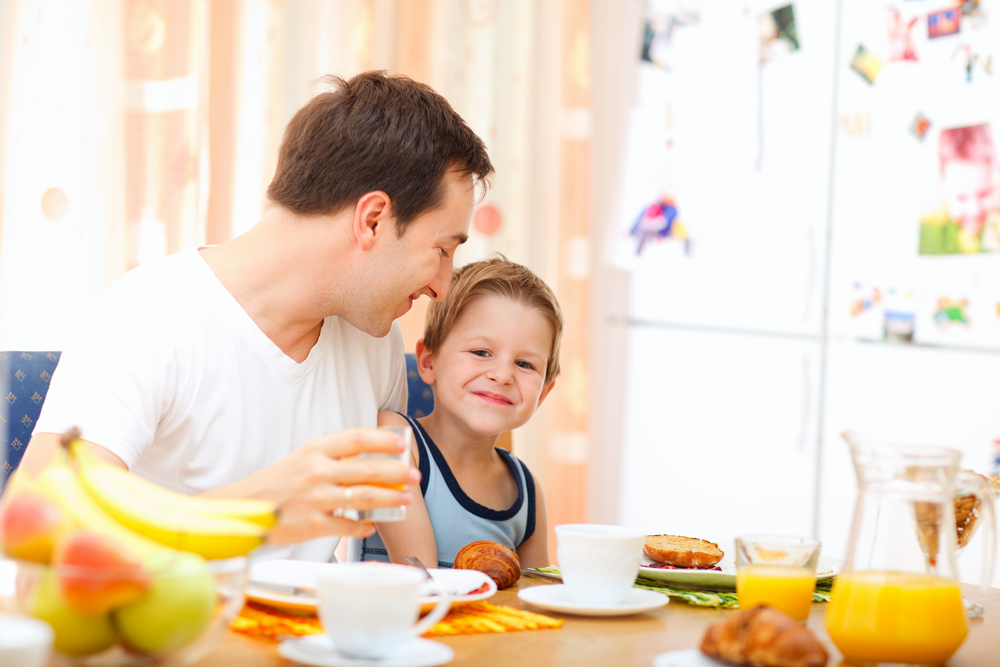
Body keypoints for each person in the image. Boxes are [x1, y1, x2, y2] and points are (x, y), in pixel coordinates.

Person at [15, 71, 494, 561]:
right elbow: (35, 534)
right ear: (372, 219)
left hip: (312, 635)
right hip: (176, 632)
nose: (442, 286)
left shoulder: (374, 341)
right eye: (440, 249)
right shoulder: (146, 315)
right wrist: (258, 509)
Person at [351, 257, 562, 568]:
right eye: (481, 352)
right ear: (429, 362)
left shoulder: (527, 491)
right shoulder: (389, 440)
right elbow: (418, 576)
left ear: (543, 392)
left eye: (524, 364)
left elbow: (532, 598)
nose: (503, 375)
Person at [919, 123, 999, 254]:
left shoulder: (996, 217)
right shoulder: (932, 224)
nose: (974, 211)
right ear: (943, 188)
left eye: (985, 194)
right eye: (961, 198)